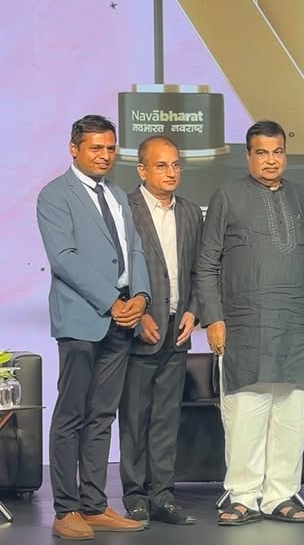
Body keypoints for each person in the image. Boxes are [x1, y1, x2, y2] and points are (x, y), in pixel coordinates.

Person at [195, 120, 304, 526]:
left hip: (298, 323)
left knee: (294, 413)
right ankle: (243, 495)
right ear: (248, 155)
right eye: (262, 153)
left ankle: (280, 494)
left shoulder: (302, 196)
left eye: (278, 152)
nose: (271, 160)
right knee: (245, 413)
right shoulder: (227, 196)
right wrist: (213, 318)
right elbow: (207, 263)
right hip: (245, 323)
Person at [37, 115, 150, 540]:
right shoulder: (55, 195)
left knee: (102, 415)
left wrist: (141, 297)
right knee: (72, 414)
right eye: (95, 148)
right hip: (82, 319)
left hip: (122, 319)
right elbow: (64, 258)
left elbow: (134, 250)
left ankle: (94, 503)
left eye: (110, 148)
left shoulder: (118, 195)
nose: (104, 156)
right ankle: (66, 509)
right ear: (74, 149)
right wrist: (111, 301)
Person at [118, 136, 203, 528]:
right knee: (135, 418)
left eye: (175, 165)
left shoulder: (190, 212)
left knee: (167, 419)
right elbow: (115, 269)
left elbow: (200, 269)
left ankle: (162, 497)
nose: (171, 173)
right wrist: (137, 317)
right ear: (142, 170)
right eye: (161, 165)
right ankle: (135, 497)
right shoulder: (124, 209)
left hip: (177, 331)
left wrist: (194, 311)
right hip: (138, 331)